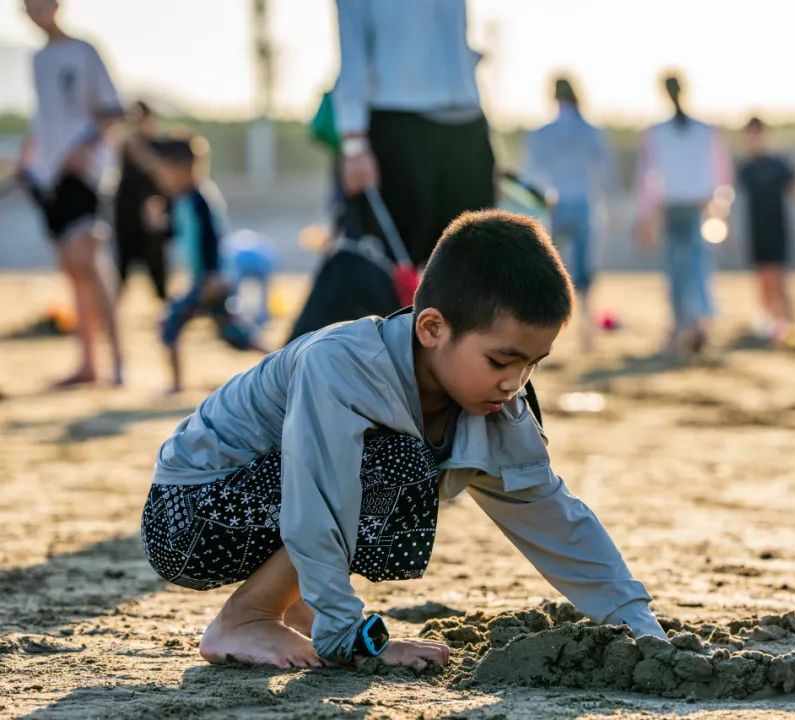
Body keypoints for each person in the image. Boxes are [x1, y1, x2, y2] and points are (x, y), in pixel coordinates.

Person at [140, 210, 666, 670]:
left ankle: (291, 607)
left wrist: (639, 624)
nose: (515, 381)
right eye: (502, 360)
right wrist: (347, 635)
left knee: (397, 458)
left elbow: (551, 513)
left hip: (270, 507)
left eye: (532, 363)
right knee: (395, 458)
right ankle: (247, 617)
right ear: (432, 328)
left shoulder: (495, 403)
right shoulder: (343, 364)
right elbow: (316, 490)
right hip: (190, 517)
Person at [332, 0, 496, 270]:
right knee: (397, 268)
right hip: (399, 125)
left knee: (473, 268)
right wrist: (354, 144)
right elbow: (352, 52)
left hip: (467, 123)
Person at [18, 0, 125, 386]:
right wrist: (28, 158)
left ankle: (118, 363)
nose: (35, 11)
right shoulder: (37, 59)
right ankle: (88, 365)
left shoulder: (84, 51)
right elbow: (44, 117)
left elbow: (112, 110)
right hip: (46, 177)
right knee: (73, 270)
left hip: (83, 174)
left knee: (92, 262)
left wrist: (84, 150)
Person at [146, 137, 264, 393]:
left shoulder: (199, 201)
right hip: (207, 279)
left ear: (184, 168)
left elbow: (211, 240)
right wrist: (159, 225)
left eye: (164, 173)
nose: (161, 180)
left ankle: (176, 385)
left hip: (211, 280)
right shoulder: (181, 201)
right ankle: (274, 355)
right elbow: (177, 236)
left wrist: (212, 276)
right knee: (233, 335)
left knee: (171, 322)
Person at [635, 73, 734, 355]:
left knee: (679, 271)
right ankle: (694, 326)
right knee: (697, 268)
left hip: (679, 208)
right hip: (696, 207)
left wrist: (645, 216)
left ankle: (684, 327)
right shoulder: (704, 131)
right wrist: (721, 208)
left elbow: (647, 178)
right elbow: (722, 175)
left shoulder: (658, 132)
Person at [522, 76, 619, 353]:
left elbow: (531, 171)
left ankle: (545, 331)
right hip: (584, 203)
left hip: (554, 205)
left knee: (551, 270)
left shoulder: (543, 133)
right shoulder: (590, 131)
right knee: (584, 272)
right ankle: (586, 332)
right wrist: (612, 205)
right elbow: (606, 171)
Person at [737, 116, 795, 346]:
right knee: (762, 281)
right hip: (755, 231)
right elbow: (725, 196)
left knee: (779, 279)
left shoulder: (779, 165)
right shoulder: (745, 169)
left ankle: (791, 327)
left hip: (777, 230)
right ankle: (773, 326)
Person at [114, 100, 170, 301]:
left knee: (157, 264)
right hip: (127, 212)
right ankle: (110, 309)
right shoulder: (125, 144)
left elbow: (159, 174)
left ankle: (165, 310)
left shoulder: (158, 145)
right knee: (121, 265)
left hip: (152, 212)